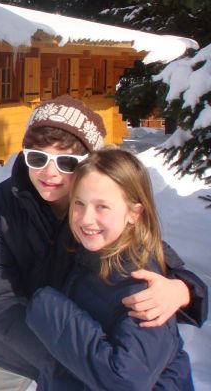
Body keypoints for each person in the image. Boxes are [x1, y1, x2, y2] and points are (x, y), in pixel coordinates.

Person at [0, 96, 206, 391]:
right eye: (37, 158)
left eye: (66, 161)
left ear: (89, 162)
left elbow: (149, 257)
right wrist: (59, 364)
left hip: (79, 354)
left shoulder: (98, 209)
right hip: (10, 348)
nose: (49, 172)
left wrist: (182, 291)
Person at [26, 148, 193, 389]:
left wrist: (48, 309)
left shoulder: (143, 286)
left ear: (134, 214)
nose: (85, 218)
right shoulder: (87, 255)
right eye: (79, 204)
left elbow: (125, 380)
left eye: (102, 207)